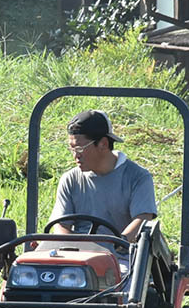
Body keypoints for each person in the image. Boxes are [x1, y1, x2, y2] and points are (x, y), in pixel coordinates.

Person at [49, 110, 157, 273]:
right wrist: (70, 248)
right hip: (76, 257)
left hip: (120, 258)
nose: (75, 156)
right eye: (71, 149)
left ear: (103, 144)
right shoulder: (70, 179)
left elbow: (142, 218)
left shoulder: (137, 177)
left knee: (121, 281)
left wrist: (118, 243)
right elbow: (61, 225)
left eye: (79, 149)